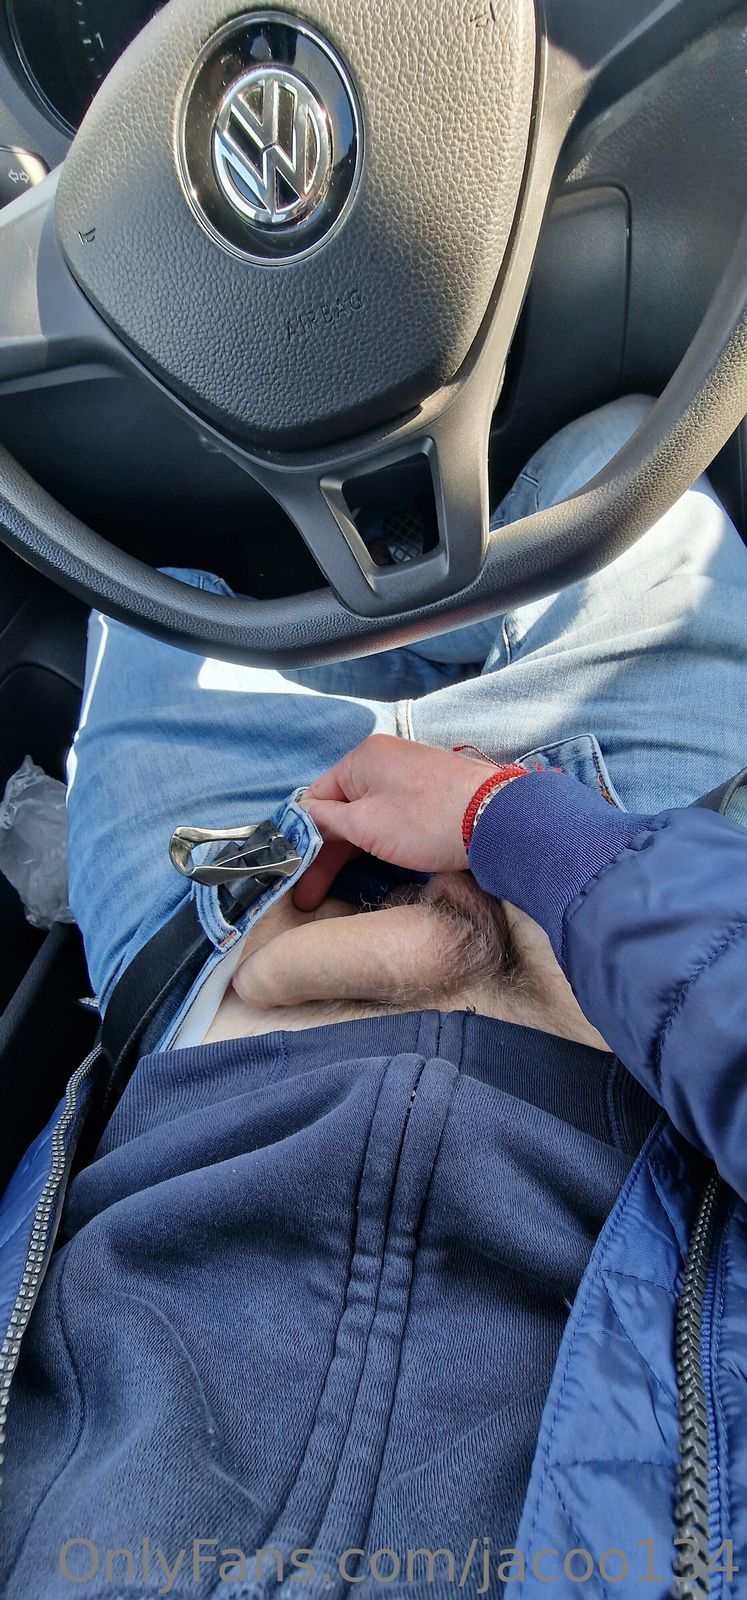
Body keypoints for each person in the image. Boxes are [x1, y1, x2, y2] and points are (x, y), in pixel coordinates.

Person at [1, 396, 746, 1599]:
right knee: (616, 448)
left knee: (166, 564)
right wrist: (524, 830)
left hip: (221, 947)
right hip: (626, 922)